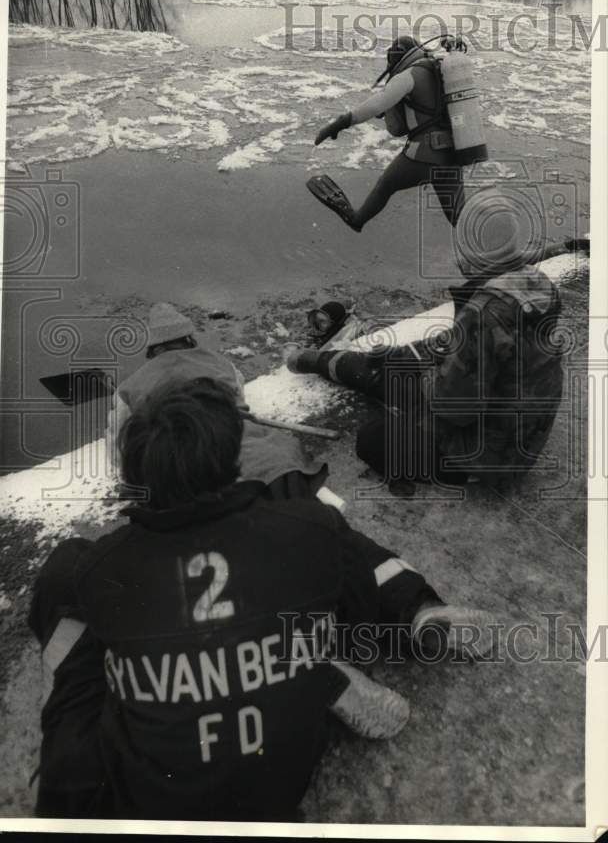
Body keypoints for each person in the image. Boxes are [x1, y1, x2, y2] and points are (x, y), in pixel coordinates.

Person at [30, 377, 493, 821]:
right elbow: (356, 611)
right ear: (232, 456)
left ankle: (69, 779)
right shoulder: (308, 526)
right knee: (332, 556)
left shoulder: (101, 567)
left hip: (146, 806)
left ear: (138, 476)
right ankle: (359, 643)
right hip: (283, 780)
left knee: (67, 589)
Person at [287, 189, 564, 490]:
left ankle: (307, 360)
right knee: (397, 369)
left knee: (373, 438)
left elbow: (454, 410)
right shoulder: (537, 287)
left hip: (487, 458)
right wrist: (407, 354)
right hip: (523, 436)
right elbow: (475, 346)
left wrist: (425, 371)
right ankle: (316, 362)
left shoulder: (483, 312)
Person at [106, 302, 329, 503]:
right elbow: (239, 398)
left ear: (152, 347)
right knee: (277, 453)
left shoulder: (129, 387)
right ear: (188, 338)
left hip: (179, 451)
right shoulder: (222, 363)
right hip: (237, 434)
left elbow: (120, 444)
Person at [307, 35, 466, 232]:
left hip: (423, 155)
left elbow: (376, 105)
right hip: (453, 155)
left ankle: (357, 219)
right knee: (460, 219)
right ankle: (491, 245)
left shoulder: (408, 75)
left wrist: (338, 124)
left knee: (385, 186)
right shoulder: (441, 69)